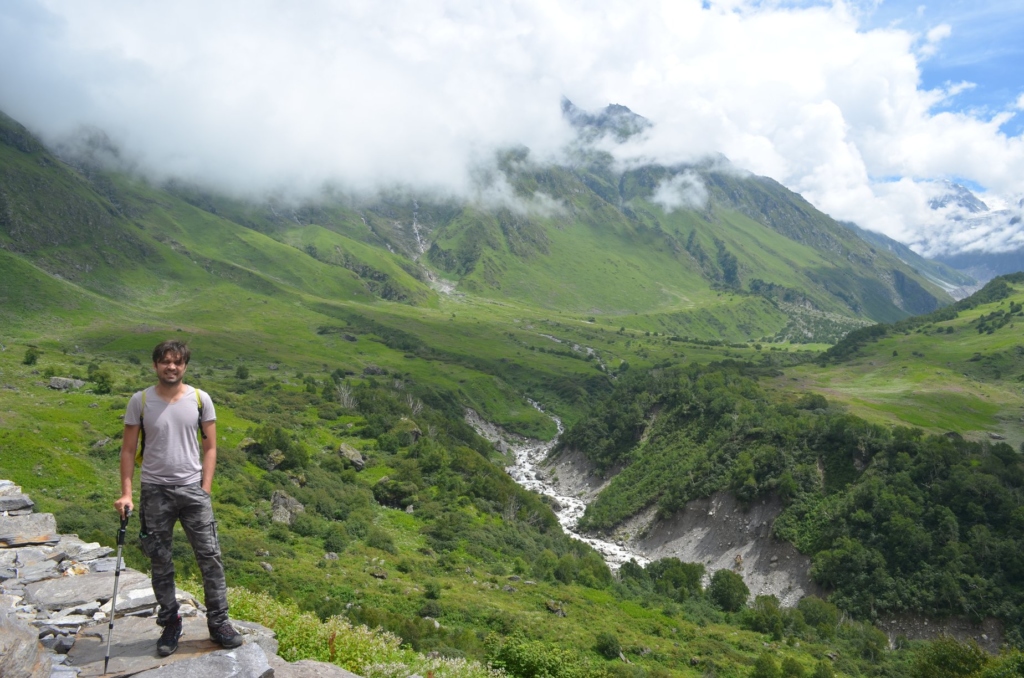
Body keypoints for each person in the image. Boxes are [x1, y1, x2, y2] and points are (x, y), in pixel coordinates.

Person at [113, 340, 242, 656]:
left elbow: (210, 447)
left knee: (210, 557)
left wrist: (205, 489)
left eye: (178, 362)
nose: (172, 367)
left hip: (192, 490)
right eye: (165, 361)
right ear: (155, 365)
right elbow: (128, 450)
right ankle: (170, 624)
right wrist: (127, 493)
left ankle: (219, 623)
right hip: (155, 490)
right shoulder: (140, 401)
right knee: (160, 560)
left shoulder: (201, 400)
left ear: (185, 365)